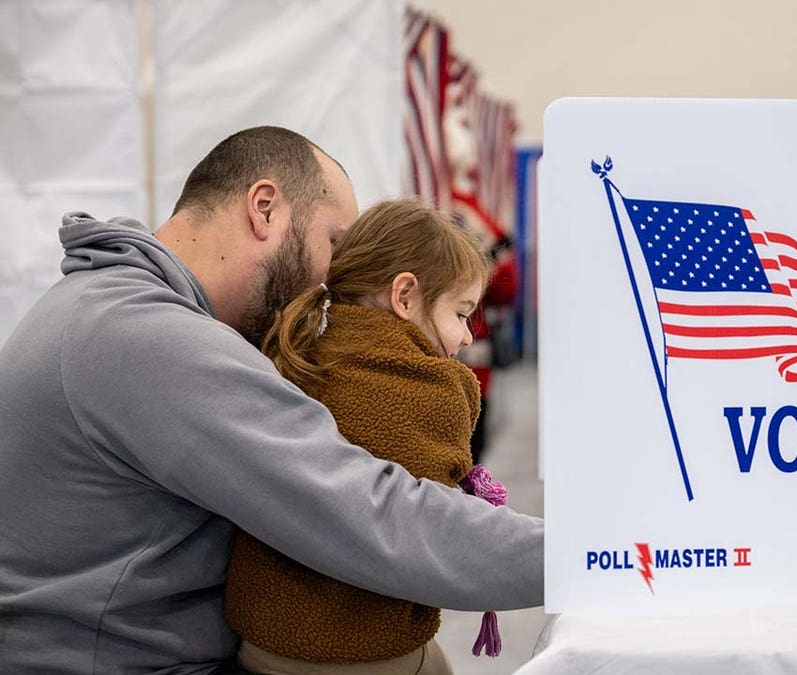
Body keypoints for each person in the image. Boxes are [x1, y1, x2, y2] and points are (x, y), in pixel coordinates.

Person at [0, 127, 543, 674]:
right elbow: (374, 516)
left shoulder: (102, 305)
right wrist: (587, 557)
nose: (334, 278)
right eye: (333, 242)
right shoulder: (146, 338)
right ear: (264, 209)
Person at [223, 198, 501, 674]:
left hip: (260, 637)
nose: (466, 338)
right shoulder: (431, 391)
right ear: (405, 296)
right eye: (461, 314)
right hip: (354, 649)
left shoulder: (296, 352)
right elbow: (432, 537)